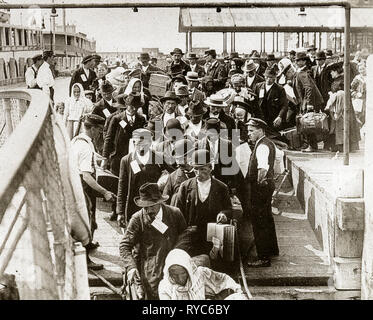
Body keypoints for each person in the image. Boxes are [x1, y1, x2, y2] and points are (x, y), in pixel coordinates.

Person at [119, 183, 187, 300]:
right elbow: (124, 245)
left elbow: (185, 237)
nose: (148, 210)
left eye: (152, 206)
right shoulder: (137, 219)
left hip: (173, 267)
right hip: (151, 270)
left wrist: (177, 254)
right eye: (145, 207)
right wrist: (131, 267)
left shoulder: (175, 214)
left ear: (160, 202)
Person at [70, 114, 116, 270]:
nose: (100, 134)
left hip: (73, 184)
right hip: (83, 187)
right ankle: (85, 260)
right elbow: (87, 176)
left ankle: (88, 244)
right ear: (93, 128)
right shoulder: (85, 147)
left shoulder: (78, 140)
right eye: (99, 130)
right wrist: (105, 192)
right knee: (86, 219)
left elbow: (85, 157)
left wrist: (100, 158)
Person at [174, 149, 232, 257]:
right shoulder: (185, 186)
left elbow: (229, 209)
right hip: (191, 233)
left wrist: (224, 214)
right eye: (196, 169)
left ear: (210, 168)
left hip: (213, 234)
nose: (198, 173)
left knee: (214, 260)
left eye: (202, 169)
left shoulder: (221, 187)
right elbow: (177, 212)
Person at [117, 129, 172, 225]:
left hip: (154, 206)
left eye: (145, 144)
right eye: (138, 143)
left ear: (150, 142)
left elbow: (173, 174)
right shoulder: (126, 160)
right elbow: (122, 187)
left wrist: (163, 180)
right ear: (133, 142)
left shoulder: (158, 158)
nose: (142, 147)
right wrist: (120, 212)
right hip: (134, 206)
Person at [245, 118, 279, 267]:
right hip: (266, 186)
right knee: (267, 217)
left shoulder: (262, 146)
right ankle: (271, 249)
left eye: (252, 131)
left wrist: (259, 183)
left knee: (259, 222)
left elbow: (263, 168)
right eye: (248, 131)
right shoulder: (267, 143)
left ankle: (263, 257)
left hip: (260, 188)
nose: (249, 134)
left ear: (261, 130)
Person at [158, 249, 242, 300]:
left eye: (183, 273)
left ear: (188, 270)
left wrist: (236, 290)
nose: (180, 279)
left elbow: (224, 280)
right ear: (169, 273)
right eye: (174, 275)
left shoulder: (201, 274)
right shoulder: (165, 286)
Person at [324, 64, 361, 153]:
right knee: (339, 126)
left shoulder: (342, 80)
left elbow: (343, 93)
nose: (331, 74)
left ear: (336, 71)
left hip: (342, 107)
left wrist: (334, 95)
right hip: (338, 106)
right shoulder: (338, 80)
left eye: (332, 72)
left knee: (342, 125)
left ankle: (342, 145)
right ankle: (339, 145)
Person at [196, 118, 237, 194]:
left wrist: (232, 185)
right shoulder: (199, 145)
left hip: (223, 182)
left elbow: (232, 165)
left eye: (215, 134)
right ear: (205, 132)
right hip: (204, 182)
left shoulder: (228, 145)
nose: (212, 137)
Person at [293, 51, 324, 152]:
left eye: (299, 60)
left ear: (304, 61)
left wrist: (309, 104)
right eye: (297, 61)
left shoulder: (303, 72)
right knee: (307, 122)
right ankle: (311, 144)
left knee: (309, 122)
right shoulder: (302, 71)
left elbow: (308, 88)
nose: (297, 62)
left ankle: (312, 145)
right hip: (305, 101)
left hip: (308, 102)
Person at [163, 138, 196, 206]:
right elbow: (165, 202)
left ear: (190, 156)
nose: (178, 162)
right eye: (176, 159)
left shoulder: (201, 173)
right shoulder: (172, 177)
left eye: (180, 159)